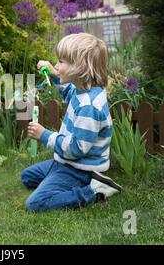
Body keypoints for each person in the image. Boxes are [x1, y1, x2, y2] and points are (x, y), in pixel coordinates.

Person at [22, 33, 122, 212]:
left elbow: (76, 149)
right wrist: (54, 73)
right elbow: (67, 90)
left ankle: (94, 191)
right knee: (27, 177)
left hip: (79, 169)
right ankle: (57, 180)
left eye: (61, 62)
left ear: (80, 68)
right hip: (63, 162)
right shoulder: (81, 89)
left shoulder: (89, 108)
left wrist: (44, 135)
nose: (57, 65)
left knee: (35, 204)